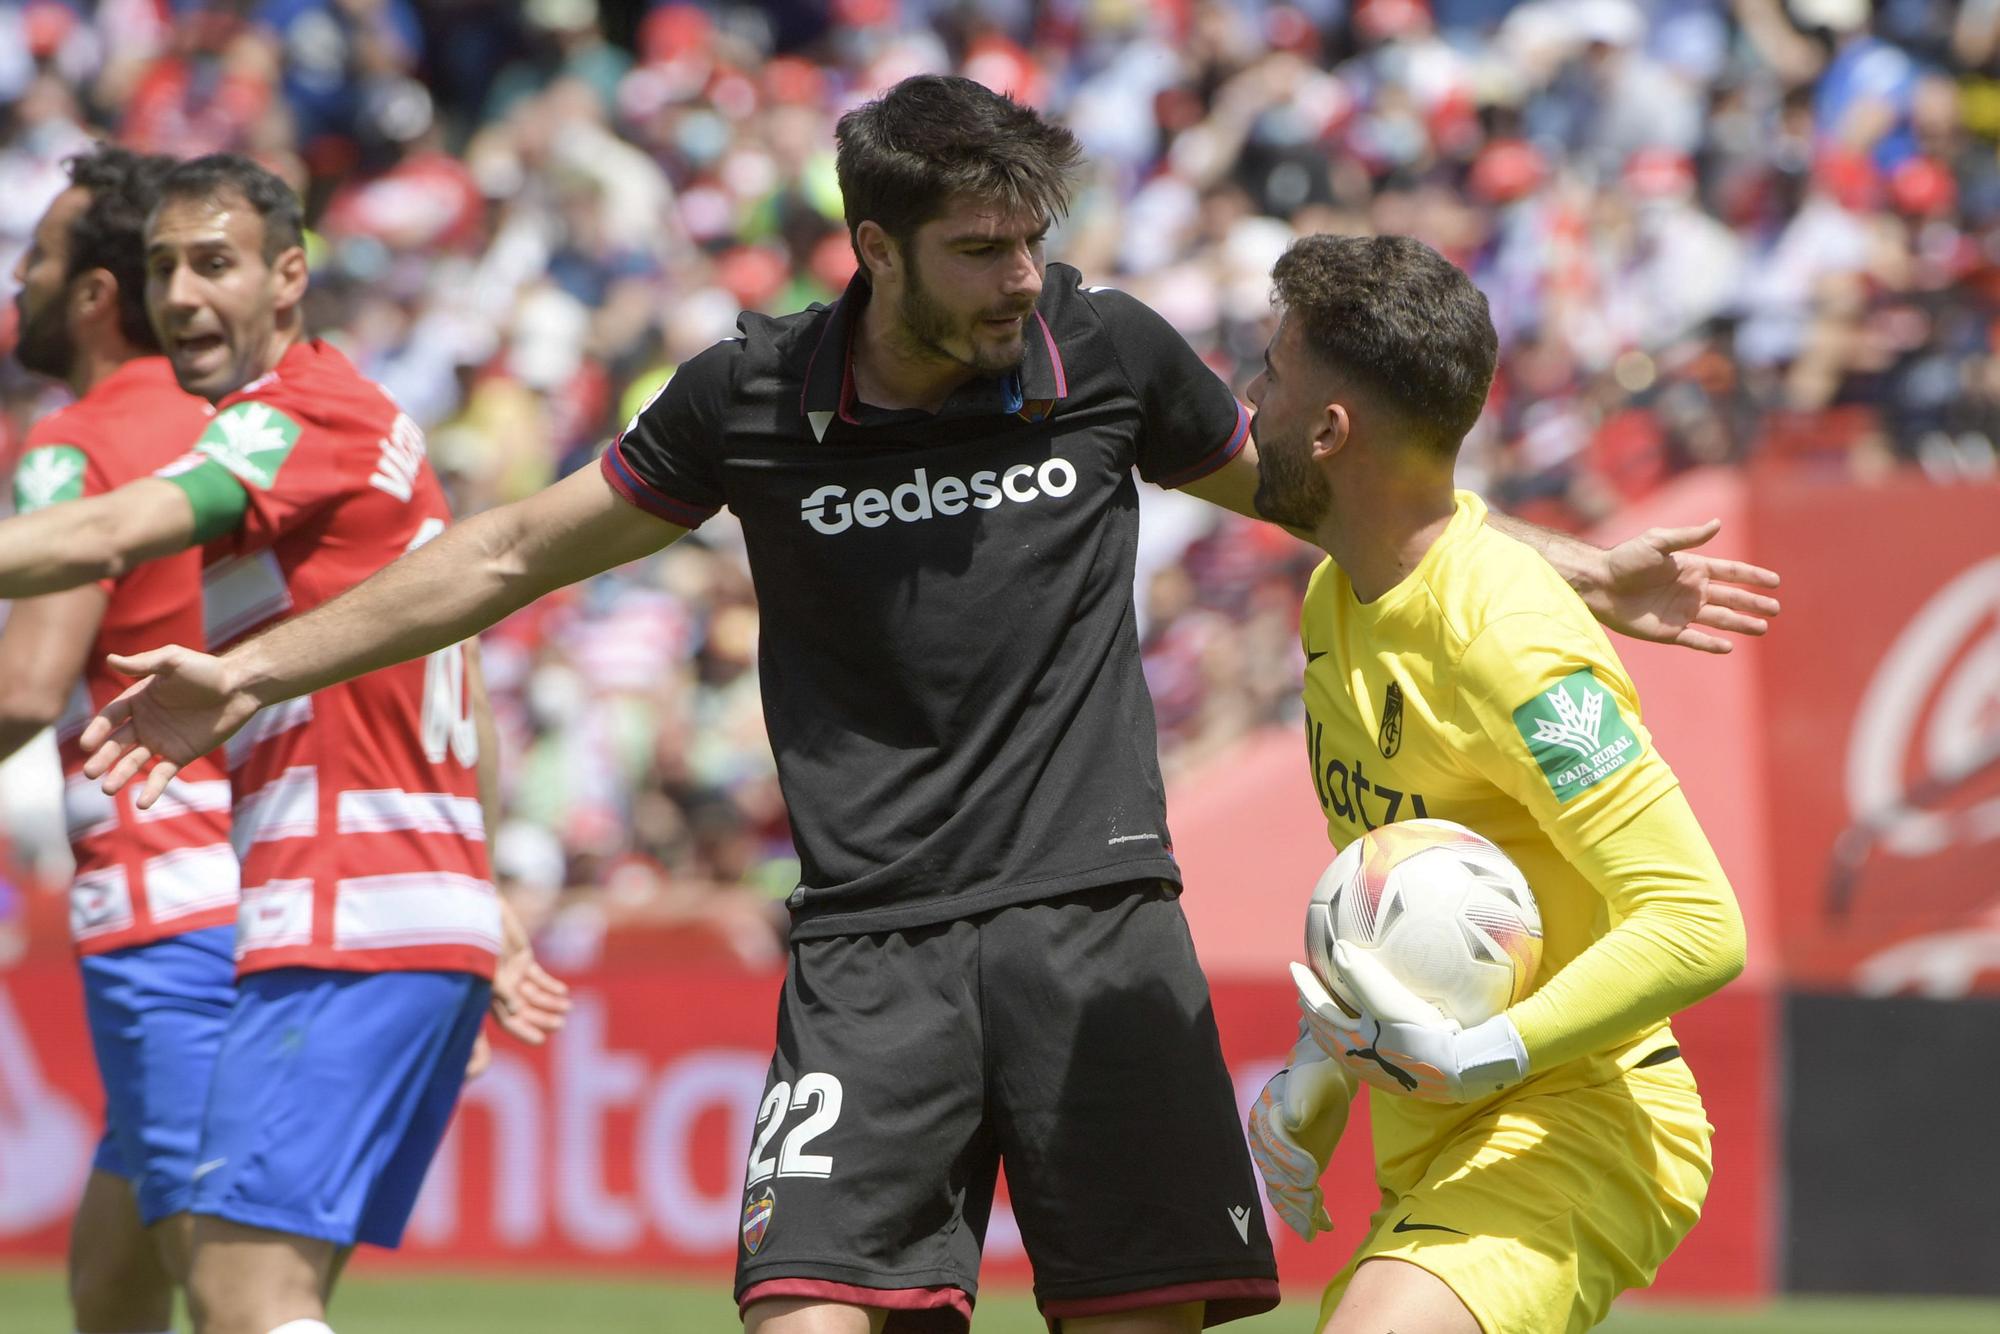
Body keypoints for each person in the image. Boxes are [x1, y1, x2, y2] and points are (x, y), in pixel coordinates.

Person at [76, 80, 1772, 1334]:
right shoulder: (751, 396)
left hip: (1099, 931)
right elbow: (512, 548)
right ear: (873, 246)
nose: (1022, 278)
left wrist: (1557, 566)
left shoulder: (1105, 354)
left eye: (1033, 240)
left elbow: (1336, 485)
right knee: (808, 1315)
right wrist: (250, 667)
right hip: (872, 946)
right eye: (979, 250)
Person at [0, 153, 566, 1334]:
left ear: (288, 276)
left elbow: (98, 549)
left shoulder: (285, 417)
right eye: (165, 267)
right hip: (373, 897)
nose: (182, 293)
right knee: (152, 1267)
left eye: (213, 263)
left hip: (323, 907)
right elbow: (450, 649)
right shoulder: (349, 426)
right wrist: (485, 885)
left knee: (238, 1290)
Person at [1241, 234, 1755, 1334]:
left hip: (1580, 1116)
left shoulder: (1507, 636)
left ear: (1329, 431)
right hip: (1441, 1125)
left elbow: (1697, 921)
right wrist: (1316, 1074)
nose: (1249, 402)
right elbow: (1403, 896)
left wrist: (1483, 1053)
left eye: (1269, 374)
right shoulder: (1335, 600)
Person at [3, 143, 232, 1334]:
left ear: (95, 296)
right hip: (257, 855)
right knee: (112, 1283)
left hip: (160, 878)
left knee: (241, 1286)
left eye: (34, 258)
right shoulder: (238, 422)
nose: (17, 284)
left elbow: (23, 687)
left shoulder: (68, 446)